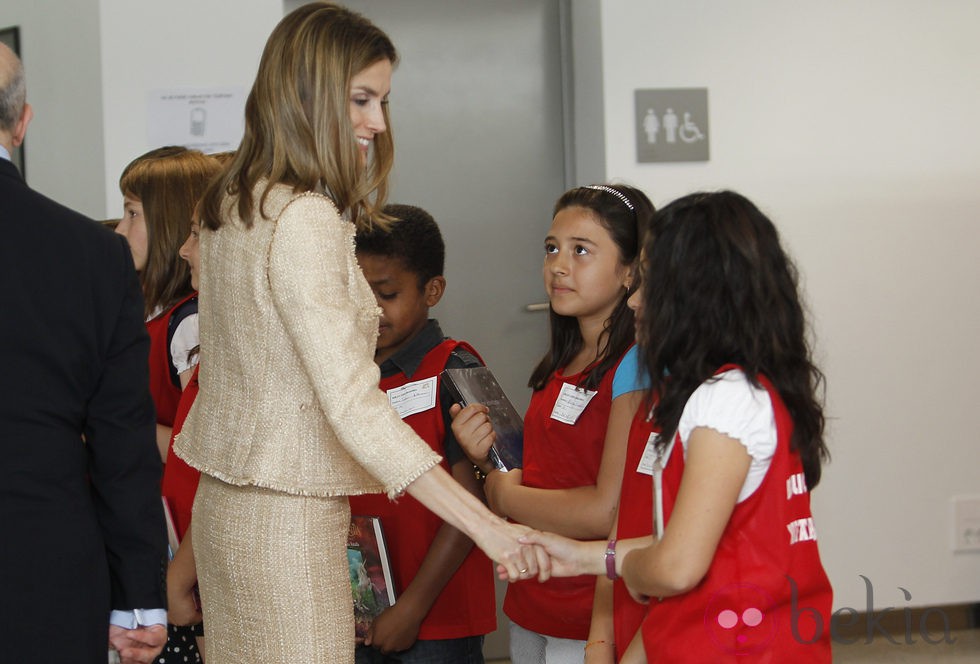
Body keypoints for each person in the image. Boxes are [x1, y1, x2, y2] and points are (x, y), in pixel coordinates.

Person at [171, 5, 544, 663]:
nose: (377, 122)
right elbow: (353, 408)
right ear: (307, 95)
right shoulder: (304, 218)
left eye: (382, 101)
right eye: (361, 99)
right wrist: (488, 526)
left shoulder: (232, 202)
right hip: (286, 523)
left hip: (227, 511)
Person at [524, 191, 833, 662]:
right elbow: (695, 542)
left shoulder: (723, 399)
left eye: (650, 282)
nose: (635, 300)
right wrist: (583, 557)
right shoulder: (754, 389)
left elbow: (676, 566)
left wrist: (630, 569)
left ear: (698, 296)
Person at [0, 42, 167, 664]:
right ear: (21, 123)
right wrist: (137, 600)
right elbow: (122, 441)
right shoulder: (92, 256)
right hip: (43, 568)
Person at [451, 184, 653, 663]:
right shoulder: (562, 363)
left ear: (629, 270)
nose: (559, 265)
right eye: (551, 249)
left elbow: (608, 510)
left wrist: (503, 494)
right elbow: (549, 471)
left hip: (589, 611)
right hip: (533, 596)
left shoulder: (635, 365)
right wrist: (487, 459)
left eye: (581, 250)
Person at [349, 204, 496, 663]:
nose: (368, 310)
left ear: (432, 290)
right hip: (363, 608)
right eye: (355, 291)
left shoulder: (456, 368)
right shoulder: (350, 375)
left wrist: (412, 608)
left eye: (386, 293)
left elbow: (472, 503)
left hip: (436, 615)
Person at [115, 145, 221, 664]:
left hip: (191, 545)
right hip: (162, 533)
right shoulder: (152, 313)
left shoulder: (190, 321)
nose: (120, 228)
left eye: (133, 214)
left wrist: (106, 429)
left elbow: (198, 447)